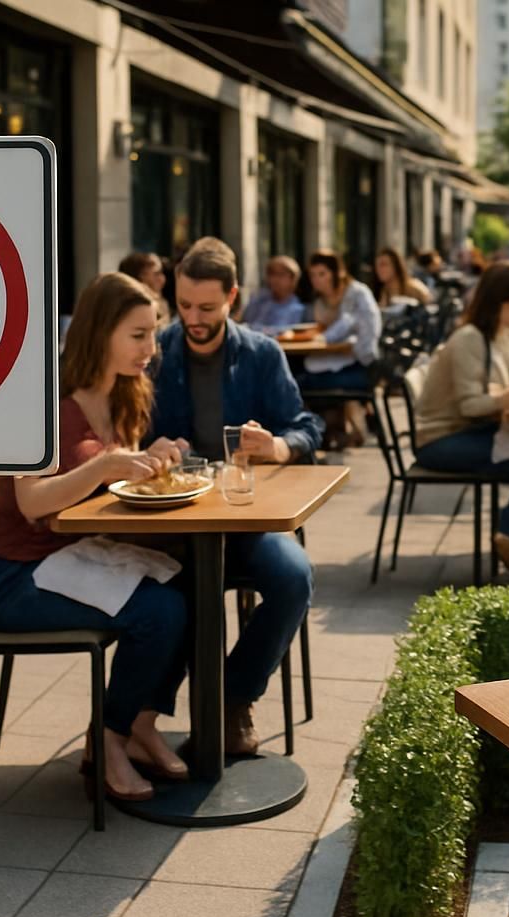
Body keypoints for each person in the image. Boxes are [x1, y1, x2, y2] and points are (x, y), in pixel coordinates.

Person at [0, 272, 192, 802]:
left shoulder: (121, 392)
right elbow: (31, 501)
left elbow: (111, 481)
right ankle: (108, 739)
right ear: (100, 332)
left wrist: (150, 458)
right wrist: (108, 467)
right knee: (159, 612)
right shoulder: (44, 401)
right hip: (14, 576)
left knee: (193, 583)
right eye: (138, 335)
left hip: (71, 556)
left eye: (153, 333)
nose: (151, 348)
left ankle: (139, 722)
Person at [151, 238, 323, 755]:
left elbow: (307, 427)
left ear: (232, 298)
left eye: (206, 307)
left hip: (248, 517)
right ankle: (139, 720)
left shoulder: (261, 354)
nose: (193, 318)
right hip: (172, 518)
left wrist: (278, 445)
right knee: (172, 596)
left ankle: (232, 698)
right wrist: (153, 449)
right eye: (183, 306)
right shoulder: (156, 352)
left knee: (294, 578)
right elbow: (128, 434)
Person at [413, 260, 509, 569]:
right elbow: (469, 406)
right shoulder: (469, 338)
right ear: (502, 300)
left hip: (482, 430)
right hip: (443, 438)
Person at [303, 248, 382, 448]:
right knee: (302, 375)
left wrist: (328, 340)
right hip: (337, 361)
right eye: (313, 275)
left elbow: (360, 335)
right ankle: (329, 432)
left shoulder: (356, 294)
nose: (317, 280)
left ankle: (317, 435)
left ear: (337, 272)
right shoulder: (319, 301)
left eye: (322, 274)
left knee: (302, 382)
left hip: (362, 367)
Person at [238, 255, 309, 333]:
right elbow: (242, 322)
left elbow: (283, 332)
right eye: (272, 274)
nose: (275, 279)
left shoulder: (298, 308)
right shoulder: (258, 300)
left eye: (281, 274)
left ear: (293, 279)